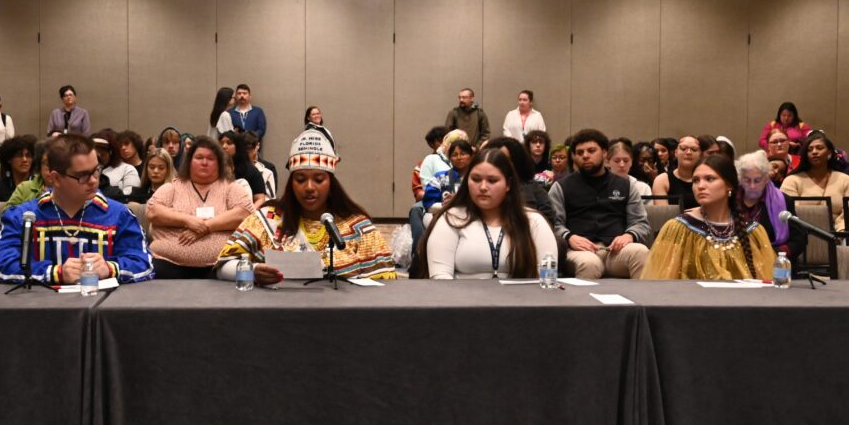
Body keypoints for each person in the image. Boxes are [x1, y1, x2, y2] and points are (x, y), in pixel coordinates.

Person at [217, 129, 395, 283]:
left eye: (319, 179)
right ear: (291, 183)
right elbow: (223, 266)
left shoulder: (356, 227)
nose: (309, 187)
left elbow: (385, 280)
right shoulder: (268, 219)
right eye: (300, 179)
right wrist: (253, 271)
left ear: (331, 183)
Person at [0, 133, 153, 284]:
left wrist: (110, 268)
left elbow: (144, 262)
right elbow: (1, 264)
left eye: (96, 171)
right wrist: (55, 273)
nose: (93, 181)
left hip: (102, 304)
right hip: (38, 304)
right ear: (56, 178)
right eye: (82, 175)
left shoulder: (119, 216)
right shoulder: (22, 217)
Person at [420, 147, 555, 280]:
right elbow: (440, 277)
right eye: (476, 179)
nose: (483, 187)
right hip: (460, 294)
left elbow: (548, 277)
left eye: (492, 180)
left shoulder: (534, 221)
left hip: (523, 294)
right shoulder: (451, 218)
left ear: (508, 184)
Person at [644, 153, 773, 281]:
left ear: (729, 186)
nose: (700, 186)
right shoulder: (679, 228)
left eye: (709, 179)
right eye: (696, 180)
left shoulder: (752, 231)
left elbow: (767, 284)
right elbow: (662, 283)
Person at [144, 136, 254, 279]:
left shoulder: (232, 188)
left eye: (210, 159)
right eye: (199, 157)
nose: (204, 162)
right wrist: (188, 220)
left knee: (244, 272)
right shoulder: (172, 187)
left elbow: (245, 214)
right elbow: (152, 211)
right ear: (189, 161)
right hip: (166, 264)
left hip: (221, 267)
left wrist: (206, 227)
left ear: (219, 163)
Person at [549, 128, 652, 279]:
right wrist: (569, 237)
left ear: (604, 153)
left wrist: (629, 235)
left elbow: (641, 223)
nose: (585, 156)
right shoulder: (561, 187)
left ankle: (642, 296)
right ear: (574, 157)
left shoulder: (625, 185)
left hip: (615, 251)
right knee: (590, 264)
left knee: (641, 253)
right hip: (578, 251)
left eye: (591, 151)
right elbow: (553, 224)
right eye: (579, 152)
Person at [780, 131, 849, 232]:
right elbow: (790, 213)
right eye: (810, 150)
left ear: (829, 153)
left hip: (838, 232)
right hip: (802, 231)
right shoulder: (792, 180)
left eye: (819, 148)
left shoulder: (845, 180)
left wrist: (840, 231)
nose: (814, 152)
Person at [732, 150, 790, 250]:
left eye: (757, 180)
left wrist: (777, 253)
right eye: (747, 180)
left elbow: (798, 238)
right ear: (740, 179)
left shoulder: (784, 200)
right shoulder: (730, 200)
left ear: (766, 179)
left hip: (772, 254)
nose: (752, 186)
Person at [0, 134, 42, 203]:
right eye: (19, 155)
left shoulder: (40, 186)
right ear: (9, 159)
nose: (24, 159)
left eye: (28, 155)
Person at [652, 135, 704, 209]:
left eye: (694, 149)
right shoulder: (662, 180)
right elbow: (663, 213)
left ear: (700, 155)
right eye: (683, 149)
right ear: (676, 153)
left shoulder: (707, 180)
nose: (688, 152)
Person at [93, 132, 143, 202]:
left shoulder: (127, 169)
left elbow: (130, 197)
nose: (98, 154)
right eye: (95, 149)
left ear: (111, 151)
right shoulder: (88, 169)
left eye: (103, 150)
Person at [244, 134, 279, 201]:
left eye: (249, 150)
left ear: (257, 146)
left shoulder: (267, 171)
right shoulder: (235, 170)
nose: (245, 154)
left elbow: (270, 199)